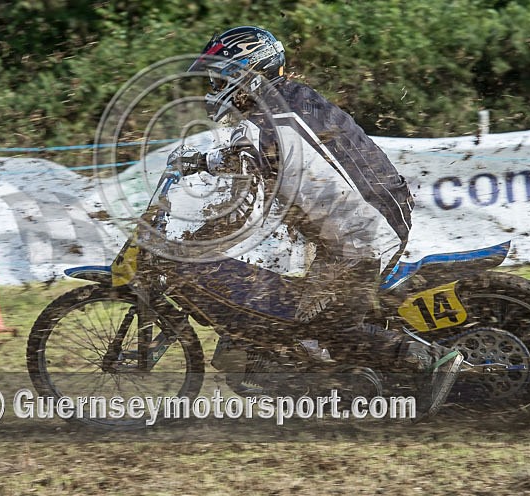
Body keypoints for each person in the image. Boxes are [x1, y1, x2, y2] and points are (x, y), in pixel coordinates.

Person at [166, 26, 463, 416]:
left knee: (326, 327)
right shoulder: (283, 104)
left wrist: (202, 219)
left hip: (362, 231)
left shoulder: (267, 118)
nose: (214, 86)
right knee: (298, 308)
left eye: (221, 76)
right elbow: (260, 163)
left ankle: (426, 359)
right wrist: (203, 164)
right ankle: (327, 385)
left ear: (248, 70)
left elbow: (250, 163)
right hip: (364, 218)